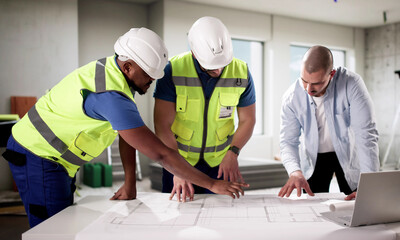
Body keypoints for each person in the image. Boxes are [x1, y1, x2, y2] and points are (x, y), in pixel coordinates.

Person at [2, 27, 248, 228]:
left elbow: (127, 135)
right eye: (149, 75)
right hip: (38, 155)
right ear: (128, 66)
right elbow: (162, 154)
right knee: (53, 228)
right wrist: (212, 184)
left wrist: (130, 182)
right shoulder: (111, 96)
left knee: (64, 221)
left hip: (55, 159)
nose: (152, 81)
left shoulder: (114, 74)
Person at [154, 16, 256, 202]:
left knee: (222, 217)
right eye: (211, 68)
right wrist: (177, 168)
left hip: (221, 162)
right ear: (194, 53)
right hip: (178, 159)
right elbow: (162, 124)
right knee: (175, 220)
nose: (218, 72)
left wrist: (233, 152)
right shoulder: (173, 70)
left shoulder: (242, 72)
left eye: (222, 65)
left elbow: (248, 119)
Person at [278, 45, 379, 201]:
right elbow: (288, 141)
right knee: (314, 206)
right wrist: (295, 171)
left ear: (331, 74)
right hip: (314, 157)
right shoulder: (291, 97)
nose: (309, 89)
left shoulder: (351, 84)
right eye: (304, 81)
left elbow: (366, 134)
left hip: (347, 153)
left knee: (360, 200)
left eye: (317, 83)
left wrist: (371, 185)